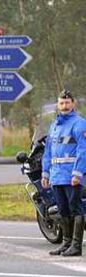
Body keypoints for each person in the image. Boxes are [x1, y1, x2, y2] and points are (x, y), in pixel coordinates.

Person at [41, 89, 86, 256]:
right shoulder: (54, 126)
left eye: (67, 102)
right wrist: (45, 173)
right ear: (58, 105)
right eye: (61, 103)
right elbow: (48, 152)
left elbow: (83, 150)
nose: (64, 106)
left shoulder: (79, 123)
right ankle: (66, 243)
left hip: (72, 176)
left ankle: (76, 246)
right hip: (57, 176)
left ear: (73, 104)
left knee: (76, 209)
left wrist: (77, 173)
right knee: (63, 210)